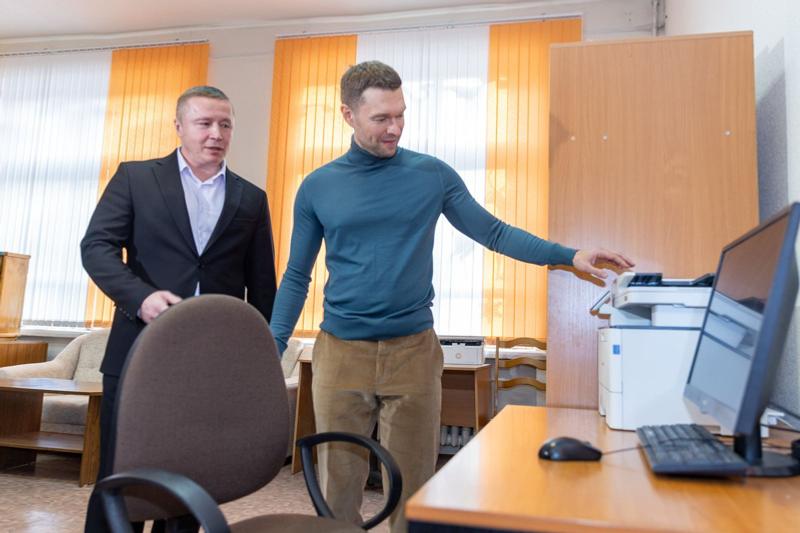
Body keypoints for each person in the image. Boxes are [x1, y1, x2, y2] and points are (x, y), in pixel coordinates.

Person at [269, 61, 634, 533]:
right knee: (337, 492)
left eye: (401, 114)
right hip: (340, 354)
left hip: (413, 352)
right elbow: (296, 276)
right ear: (348, 114)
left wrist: (569, 255)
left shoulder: (431, 175)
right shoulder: (318, 186)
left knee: (414, 491)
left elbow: (494, 232)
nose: (395, 128)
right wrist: (273, 347)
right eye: (381, 118)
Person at [81, 85, 277, 532]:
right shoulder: (135, 178)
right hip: (137, 353)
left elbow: (262, 286)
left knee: (193, 479)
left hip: (210, 365)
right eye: (204, 123)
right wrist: (140, 297)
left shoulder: (251, 197)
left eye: (225, 124)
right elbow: (96, 248)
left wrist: (257, 357)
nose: (216, 134)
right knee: (121, 477)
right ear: (179, 126)